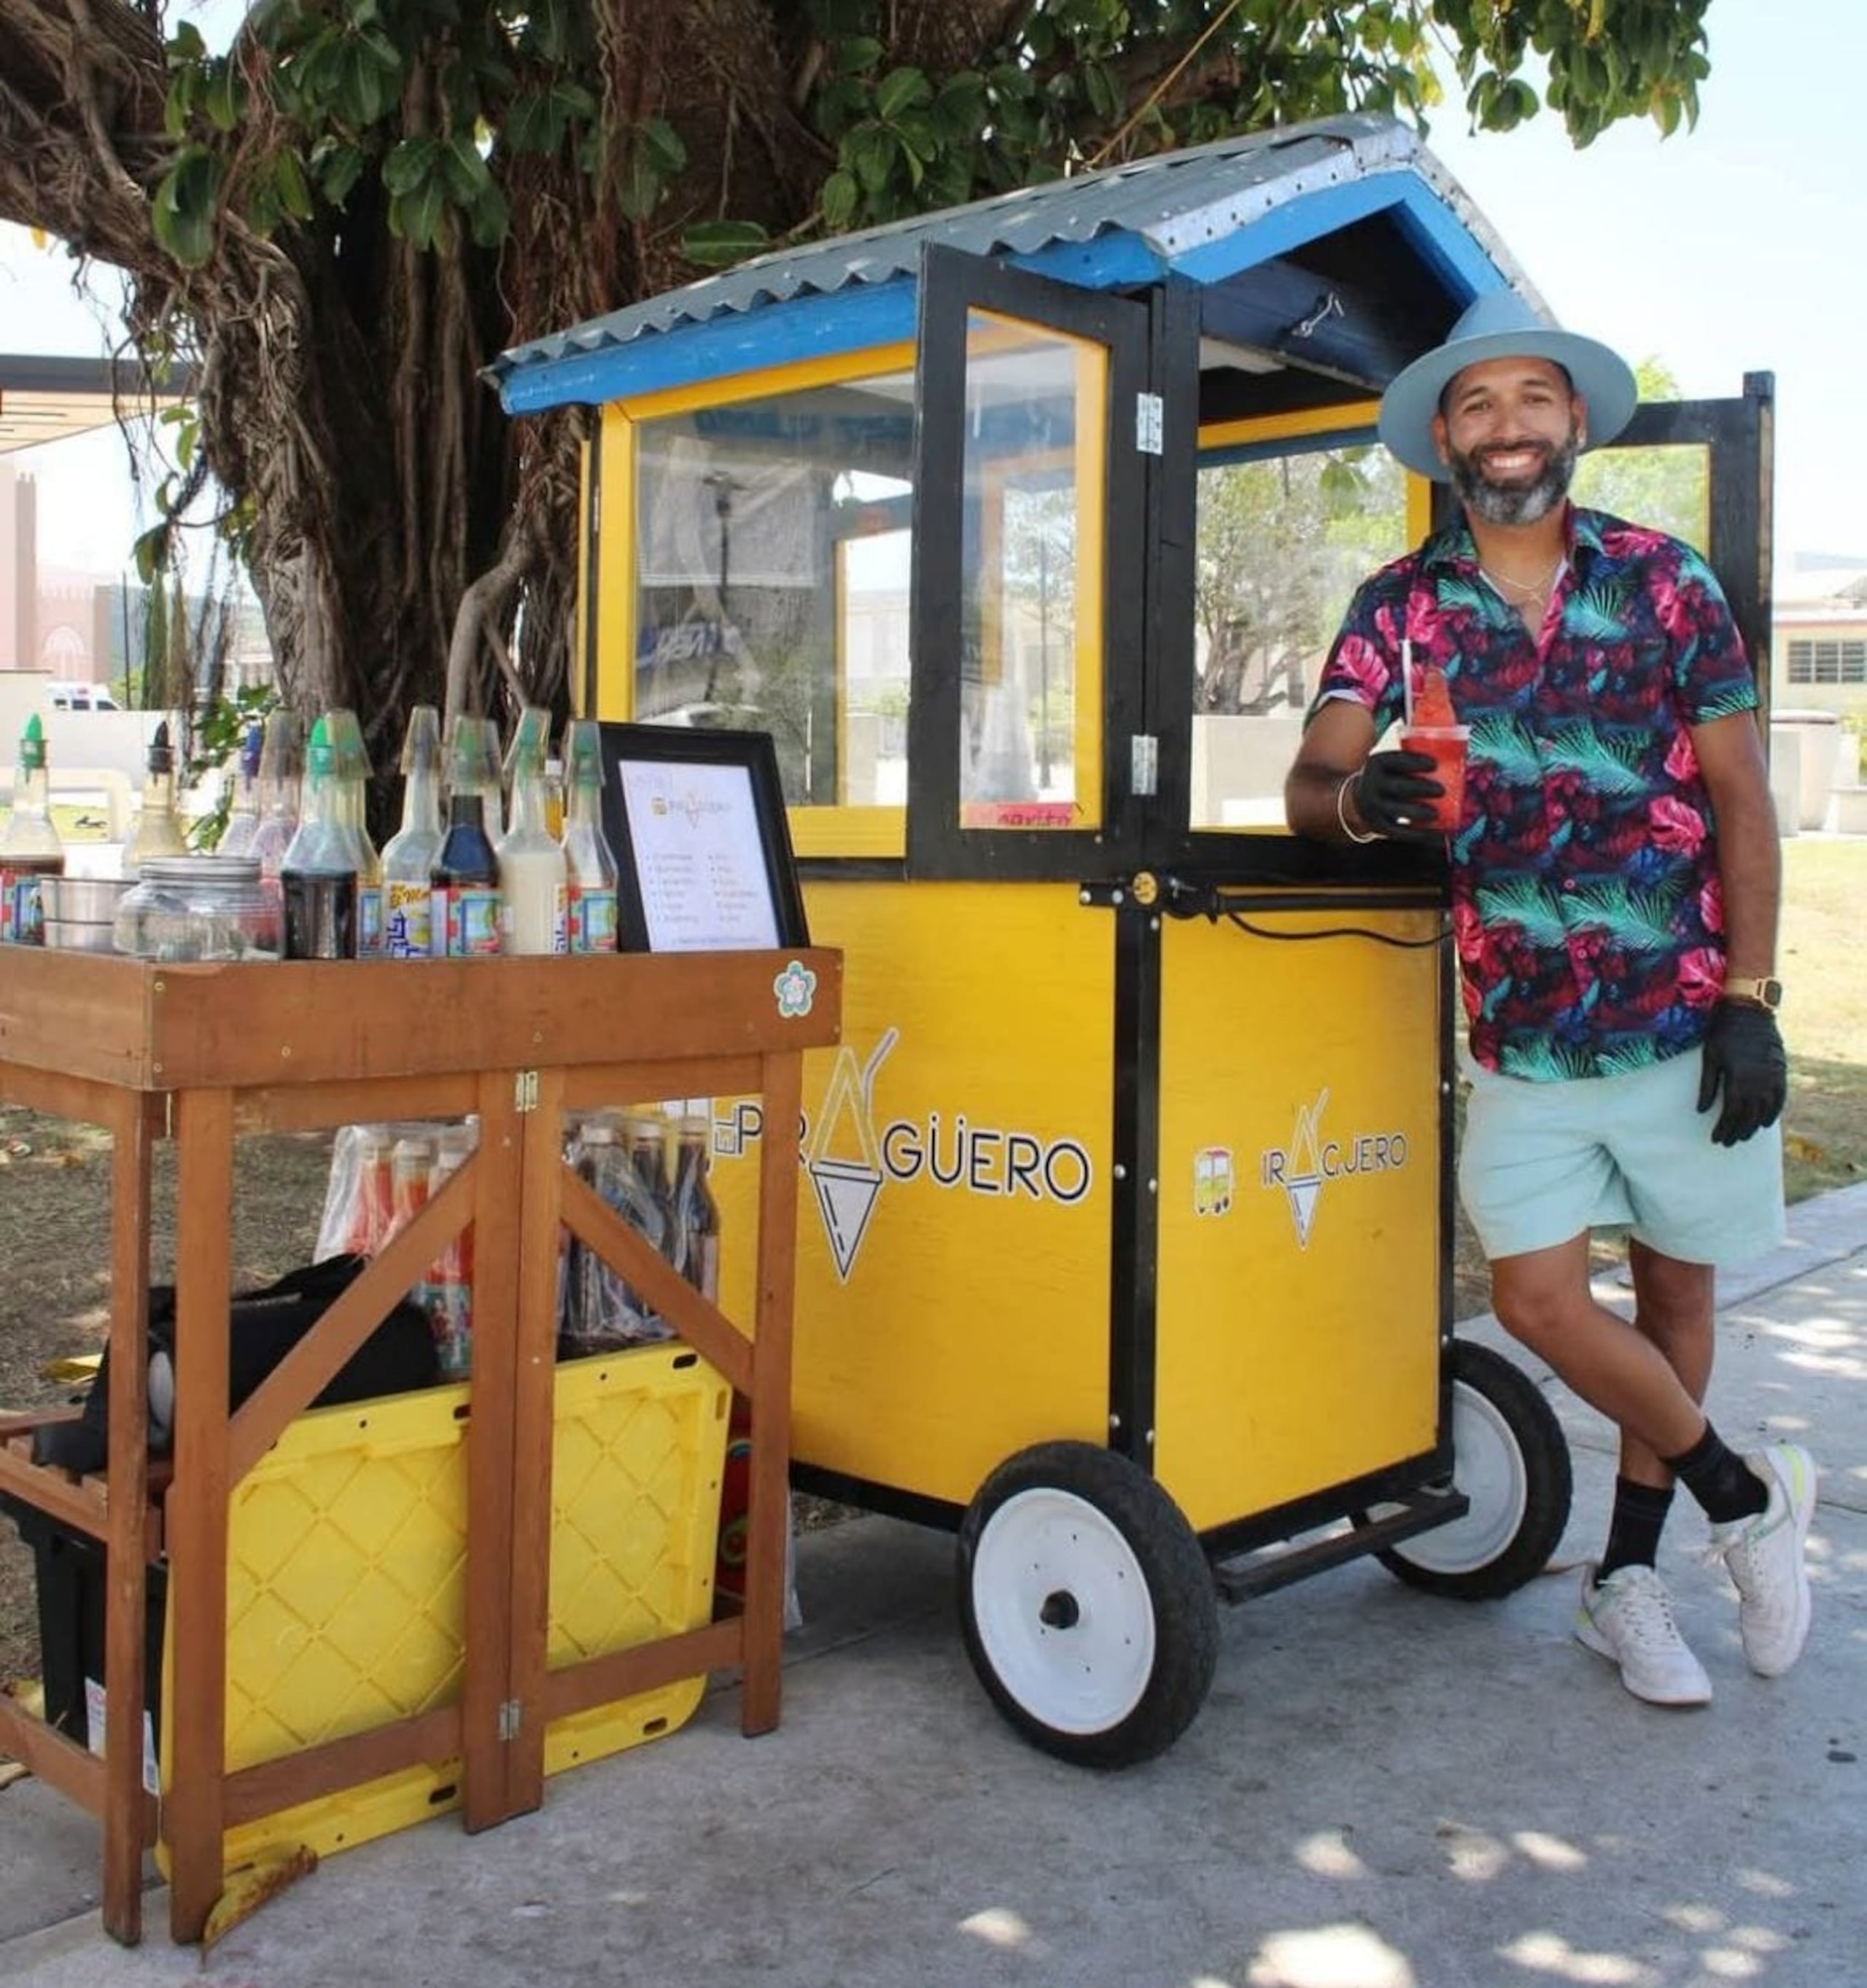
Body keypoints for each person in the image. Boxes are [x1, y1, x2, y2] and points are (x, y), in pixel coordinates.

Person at [1285, 290, 1815, 1707]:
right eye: (1475, 403)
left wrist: (1752, 997)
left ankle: (1625, 1581)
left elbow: (1739, 799)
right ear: (1445, 439)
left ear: (1571, 421)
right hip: (1516, 1033)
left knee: (1669, 1297)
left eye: (1529, 399)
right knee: (1532, 1298)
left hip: (1680, 1017)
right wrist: (1355, 799)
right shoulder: (1395, 609)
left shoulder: (1665, 581)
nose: (1504, 425)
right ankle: (1744, 1495)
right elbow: (1308, 786)